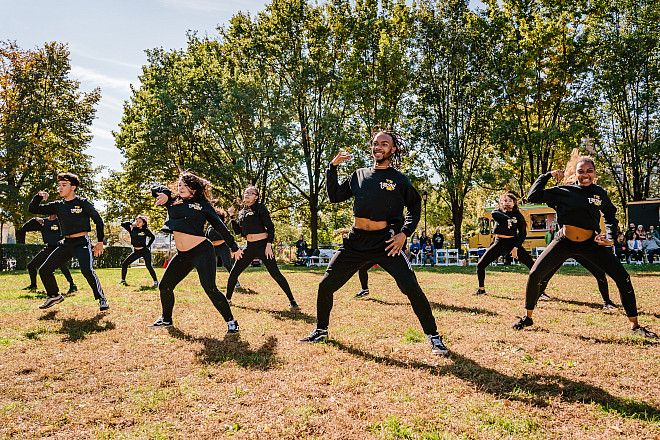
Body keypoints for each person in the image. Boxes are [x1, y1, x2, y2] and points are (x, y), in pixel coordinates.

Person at [300, 128, 449, 356]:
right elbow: (334, 196)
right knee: (325, 286)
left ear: (393, 149)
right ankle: (321, 330)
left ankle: (434, 336)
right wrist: (332, 168)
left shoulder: (399, 180)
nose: (378, 147)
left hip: (385, 243)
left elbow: (415, 207)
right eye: (376, 143)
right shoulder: (359, 175)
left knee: (411, 288)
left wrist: (404, 234)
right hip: (355, 242)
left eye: (384, 144)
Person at [513, 150, 656, 338]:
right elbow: (533, 197)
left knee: (623, 278)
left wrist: (611, 237)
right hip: (563, 242)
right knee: (535, 274)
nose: (585, 175)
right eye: (581, 171)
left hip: (591, 244)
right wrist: (547, 175)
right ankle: (528, 317)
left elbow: (611, 216)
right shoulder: (563, 191)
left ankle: (635, 326)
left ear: (594, 173)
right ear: (576, 173)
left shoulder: (599, 193)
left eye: (589, 171)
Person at [150, 171, 241, 333]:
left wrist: (234, 247)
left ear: (194, 188)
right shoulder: (173, 201)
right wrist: (164, 194)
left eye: (186, 185)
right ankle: (166, 319)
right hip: (183, 255)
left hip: (202, 251)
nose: (181, 187)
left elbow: (221, 227)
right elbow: (156, 189)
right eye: (179, 185)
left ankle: (231, 322)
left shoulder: (203, 205)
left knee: (209, 287)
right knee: (165, 286)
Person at [28, 172, 108, 311]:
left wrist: (100, 241)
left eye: (64, 185)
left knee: (87, 270)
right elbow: (33, 209)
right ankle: (54, 295)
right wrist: (38, 196)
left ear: (73, 187)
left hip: (82, 242)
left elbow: (98, 221)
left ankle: (101, 298)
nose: (60, 188)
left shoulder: (83, 203)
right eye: (59, 185)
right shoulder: (58, 205)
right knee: (44, 270)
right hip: (66, 243)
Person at [226, 186, 299, 310]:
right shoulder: (242, 211)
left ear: (256, 196)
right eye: (245, 193)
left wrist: (268, 245)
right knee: (234, 272)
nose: (247, 194)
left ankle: (292, 301)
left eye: (250, 193)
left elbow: (270, 227)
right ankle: (227, 299)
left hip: (263, 246)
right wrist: (232, 216)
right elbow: (238, 231)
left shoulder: (260, 208)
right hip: (249, 247)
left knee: (275, 273)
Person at [474, 193, 536, 296]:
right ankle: (481, 290)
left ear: (514, 203)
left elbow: (522, 234)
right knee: (480, 265)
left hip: (512, 243)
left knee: (533, 266)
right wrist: (507, 219)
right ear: (502, 202)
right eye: (505, 201)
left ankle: (541, 291)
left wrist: (516, 247)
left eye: (510, 201)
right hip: (499, 243)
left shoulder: (518, 216)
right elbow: (494, 214)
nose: (507, 203)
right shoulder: (498, 212)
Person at [17, 215, 77, 294]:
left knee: (62, 265)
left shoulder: (61, 221)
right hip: (48, 248)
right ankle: (33, 285)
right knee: (31, 266)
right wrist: (35, 219)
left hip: (59, 248)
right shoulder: (43, 222)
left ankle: (72, 285)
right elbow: (24, 228)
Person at [206, 207, 241, 288]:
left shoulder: (222, 225)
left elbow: (228, 236)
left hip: (223, 247)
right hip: (212, 248)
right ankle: (208, 282)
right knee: (209, 265)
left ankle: (235, 282)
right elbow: (206, 238)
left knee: (227, 264)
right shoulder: (209, 227)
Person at [119, 215, 158, 287]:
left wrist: (148, 246)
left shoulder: (145, 230)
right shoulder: (132, 229)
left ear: (143, 223)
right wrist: (130, 224)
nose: (137, 223)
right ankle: (123, 280)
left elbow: (152, 237)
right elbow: (122, 224)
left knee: (148, 266)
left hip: (144, 251)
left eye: (140, 222)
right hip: (136, 252)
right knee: (125, 264)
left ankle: (156, 281)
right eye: (137, 221)